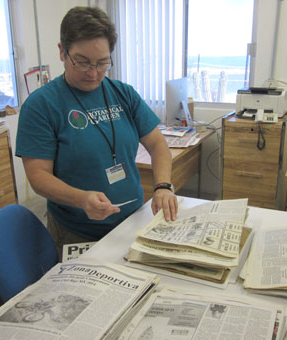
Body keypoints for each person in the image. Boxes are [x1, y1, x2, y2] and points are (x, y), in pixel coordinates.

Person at [16, 6, 178, 257]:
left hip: (132, 222)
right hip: (78, 231)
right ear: (62, 51)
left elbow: (158, 145)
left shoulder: (123, 93)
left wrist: (163, 186)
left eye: (102, 63)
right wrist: (81, 199)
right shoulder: (41, 105)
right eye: (82, 62)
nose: (93, 73)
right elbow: (38, 176)